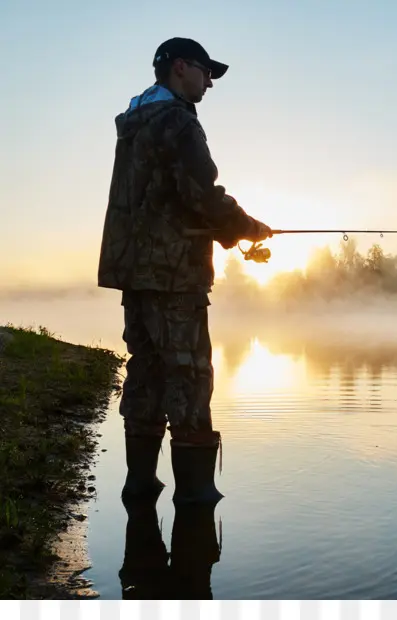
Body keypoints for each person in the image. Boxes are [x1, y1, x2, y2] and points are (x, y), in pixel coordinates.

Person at [97, 37, 272, 504]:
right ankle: (195, 498)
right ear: (180, 68)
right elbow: (201, 194)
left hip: (134, 271)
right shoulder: (177, 121)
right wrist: (248, 227)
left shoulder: (135, 123)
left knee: (147, 370)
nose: (210, 81)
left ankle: (140, 485)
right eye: (205, 71)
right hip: (175, 274)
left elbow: (164, 199)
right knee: (190, 375)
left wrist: (227, 231)